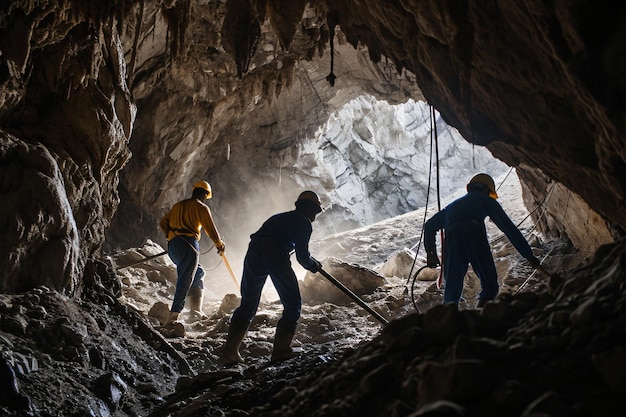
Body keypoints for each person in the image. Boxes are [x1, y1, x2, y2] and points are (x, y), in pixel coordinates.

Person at [220, 190, 323, 364]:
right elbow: (303, 257)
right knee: (292, 303)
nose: (315, 215)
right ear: (310, 209)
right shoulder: (304, 223)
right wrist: (314, 265)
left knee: (248, 303)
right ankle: (281, 350)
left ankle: (229, 352)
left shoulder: (278, 217)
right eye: (315, 211)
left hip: (254, 251)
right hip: (275, 253)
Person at [423, 173, 540, 308]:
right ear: (487, 190)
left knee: (452, 290)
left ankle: (450, 321)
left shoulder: (452, 206)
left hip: (453, 240)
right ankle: (481, 316)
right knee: (489, 285)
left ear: (470, 188)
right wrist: (528, 255)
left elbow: (430, 225)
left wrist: (430, 254)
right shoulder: (486, 200)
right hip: (474, 234)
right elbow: (509, 229)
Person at [159, 180, 225, 328]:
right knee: (186, 278)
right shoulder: (201, 207)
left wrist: (170, 236)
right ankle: (174, 315)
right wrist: (219, 245)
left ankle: (195, 311)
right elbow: (211, 230)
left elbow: (163, 222)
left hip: (174, 245)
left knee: (198, 272)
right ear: (205, 194)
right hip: (188, 243)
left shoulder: (178, 206)